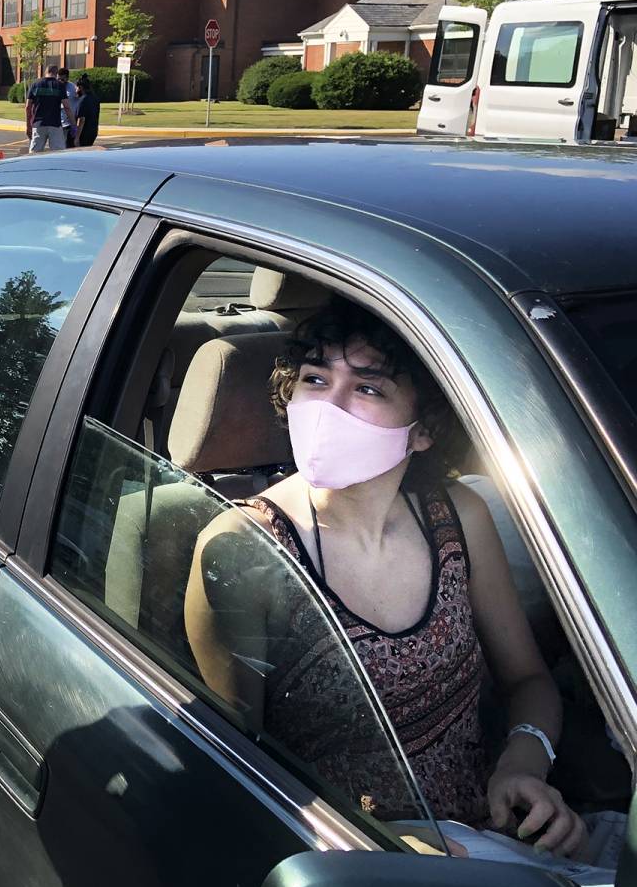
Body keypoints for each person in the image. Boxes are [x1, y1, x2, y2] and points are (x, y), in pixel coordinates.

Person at [185, 298, 587, 857]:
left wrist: (523, 769)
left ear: (423, 432)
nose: (330, 406)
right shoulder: (243, 550)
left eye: (368, 388)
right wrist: (384, 846)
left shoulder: (458, 516)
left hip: (493, 840)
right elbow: (240, 772)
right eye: (315, 379)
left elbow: (528, 681)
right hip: (350, 861)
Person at [25, 64, 73, 153]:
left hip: (38, 124)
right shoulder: (60, 86)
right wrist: (73, 124)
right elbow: (67, 107)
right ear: (56, 73)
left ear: (45, 72)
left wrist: (28, 126)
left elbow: (28, 107)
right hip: (55, 124)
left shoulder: (35, 85)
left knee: (34, 153)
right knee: (58, 153)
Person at [72, 76, 100, 148]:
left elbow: (81, 120)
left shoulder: (83, 100)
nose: (75, 90)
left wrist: (77, 137)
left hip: (84, 133)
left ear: (80, 87)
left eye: (76, 87)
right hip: (93, 131)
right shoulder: (95, 98)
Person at [57, 66, 79, 147]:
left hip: (69, 123)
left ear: (67, 78)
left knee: (67, 146)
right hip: (57, 123)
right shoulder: (55, 86)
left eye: (62, 79)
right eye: (58, 79)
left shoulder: (73, 87)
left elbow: (79, 98)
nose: (60, 81)